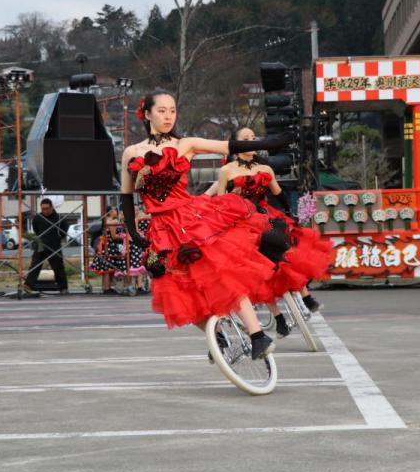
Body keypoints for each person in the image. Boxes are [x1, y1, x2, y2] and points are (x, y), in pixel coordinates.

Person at [121, 90, 294, 359]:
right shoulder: (131, 152)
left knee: (223, 273)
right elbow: (126, 195)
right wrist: (133, 231)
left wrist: (271, 142)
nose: (168, 116)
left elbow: (229, 146)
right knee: (175, 292)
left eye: (172, 110)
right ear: (146, 114)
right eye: (162, 111)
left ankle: (257, 334)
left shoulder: (185, 144)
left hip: (191, 219)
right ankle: (218, 337)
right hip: (160, 229)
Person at [205, 127, 332, 337]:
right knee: (257, 271)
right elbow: (219, 202)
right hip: (239, 222)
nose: (251, 142)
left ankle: (305, 296)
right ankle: (278, 317)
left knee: (285, 250)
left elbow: (279, 194)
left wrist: (291, 214)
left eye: (253, 138)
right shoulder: (227, 170)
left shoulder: (265, 168)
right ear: (236, 145)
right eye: (245, 139)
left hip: (264, 215)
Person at [23, 197, 68, 294]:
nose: (45, 211)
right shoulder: (38, 218)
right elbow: (36, 229)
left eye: (47, 208)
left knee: (58, 267)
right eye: (43, 209)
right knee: (35, 265)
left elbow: (64, 230)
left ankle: (63, 288)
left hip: (54, 245)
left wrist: (57, 238)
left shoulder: (59, 218)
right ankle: (28, 285)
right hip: (41, 245)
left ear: (52, 207)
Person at [90, 207, 125, 294]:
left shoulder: (105, 220)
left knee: (105, 267)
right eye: (114, 210)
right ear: (109, 212)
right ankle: (107, 287)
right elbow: (114, 236)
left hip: (103, 245)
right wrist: (124, 236)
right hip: (110, 245)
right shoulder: (113, 222)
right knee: (108, 267)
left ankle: (105, 287)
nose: (116, 212)